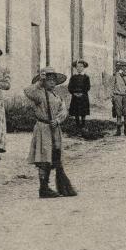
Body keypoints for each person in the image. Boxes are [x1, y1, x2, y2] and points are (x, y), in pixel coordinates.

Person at [25, 67, 77, 199]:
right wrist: (39, 82)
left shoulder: (57, 96)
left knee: (54, 156)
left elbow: (64, 111)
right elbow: (27, 91)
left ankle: (57, 186)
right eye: (48, 80)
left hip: (55, 129)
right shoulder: (39, 94)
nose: (52, 82)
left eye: (54, 80)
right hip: (43, 128)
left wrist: (58, 120)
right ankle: (43, 187)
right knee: (44, 156)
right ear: (44, 81)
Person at [68, 60, 91, 128]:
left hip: (83, 96)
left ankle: (83, 124)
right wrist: (74, 93)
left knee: (83, 110)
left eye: (81, 66)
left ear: (84, 68)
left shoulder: (86, 77)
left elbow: (88, 87)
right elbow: (70, 87)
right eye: (77, 66)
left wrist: (82, 93)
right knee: (76, 111)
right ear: (75, 68)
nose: (79, 68)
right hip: (75, 96)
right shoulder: (73, 77)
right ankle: (77, 124)